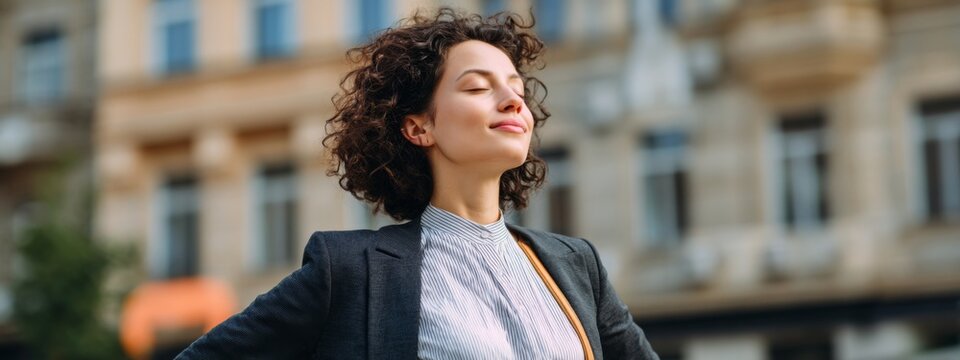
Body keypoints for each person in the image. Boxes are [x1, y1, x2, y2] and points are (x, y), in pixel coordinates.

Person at [177, 7, 659, 360]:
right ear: (418, 127)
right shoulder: (351, 271)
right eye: (477, 87)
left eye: (517, 88)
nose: (514, 101)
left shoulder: (576, 265)